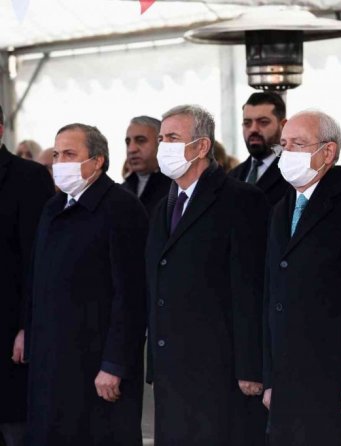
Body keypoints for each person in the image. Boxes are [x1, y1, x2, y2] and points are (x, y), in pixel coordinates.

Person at [263, 110, 341, 446]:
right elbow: (271, 296)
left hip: (335, 384)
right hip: (287, 384)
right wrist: (269, 378)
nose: (287, 152)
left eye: (298, 144)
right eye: (284, 145)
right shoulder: (281, 209)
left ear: (328, 151)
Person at [145, 105, 268, 446]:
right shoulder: (164, 205)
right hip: (171, 370)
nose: (163, 146)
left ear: (201, 146)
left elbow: (250, 288)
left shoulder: (240, 200)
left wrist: (250, 367)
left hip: (219, 371)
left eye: (172, 138)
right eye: (161, 139)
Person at [23, 123, 147, 446]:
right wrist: (28, 333)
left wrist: (114, 364)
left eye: (69, 154)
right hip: (52, 363)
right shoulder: (53, 208)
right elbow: (37, 279)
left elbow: (131, 296)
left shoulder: (121, 208)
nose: (59, 163)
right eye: (56, 155)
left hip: (96, 369)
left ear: (97, 161)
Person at [0, 106, 53, 446]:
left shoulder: (28, 177)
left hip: (10, 335)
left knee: (15, 430)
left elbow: (39, 259)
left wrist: (27, 326)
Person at [229, 92, 289, 206]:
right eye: (247, 123)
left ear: (283, 125)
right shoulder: (233, 176)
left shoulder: (295, 174)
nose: (253, 129)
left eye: (263, 122)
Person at [122, 116, 171, 214]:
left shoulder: (177, 189)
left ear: (161, 144)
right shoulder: (121, 191)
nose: (131, 149)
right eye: (128, 142)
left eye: (141, 140)